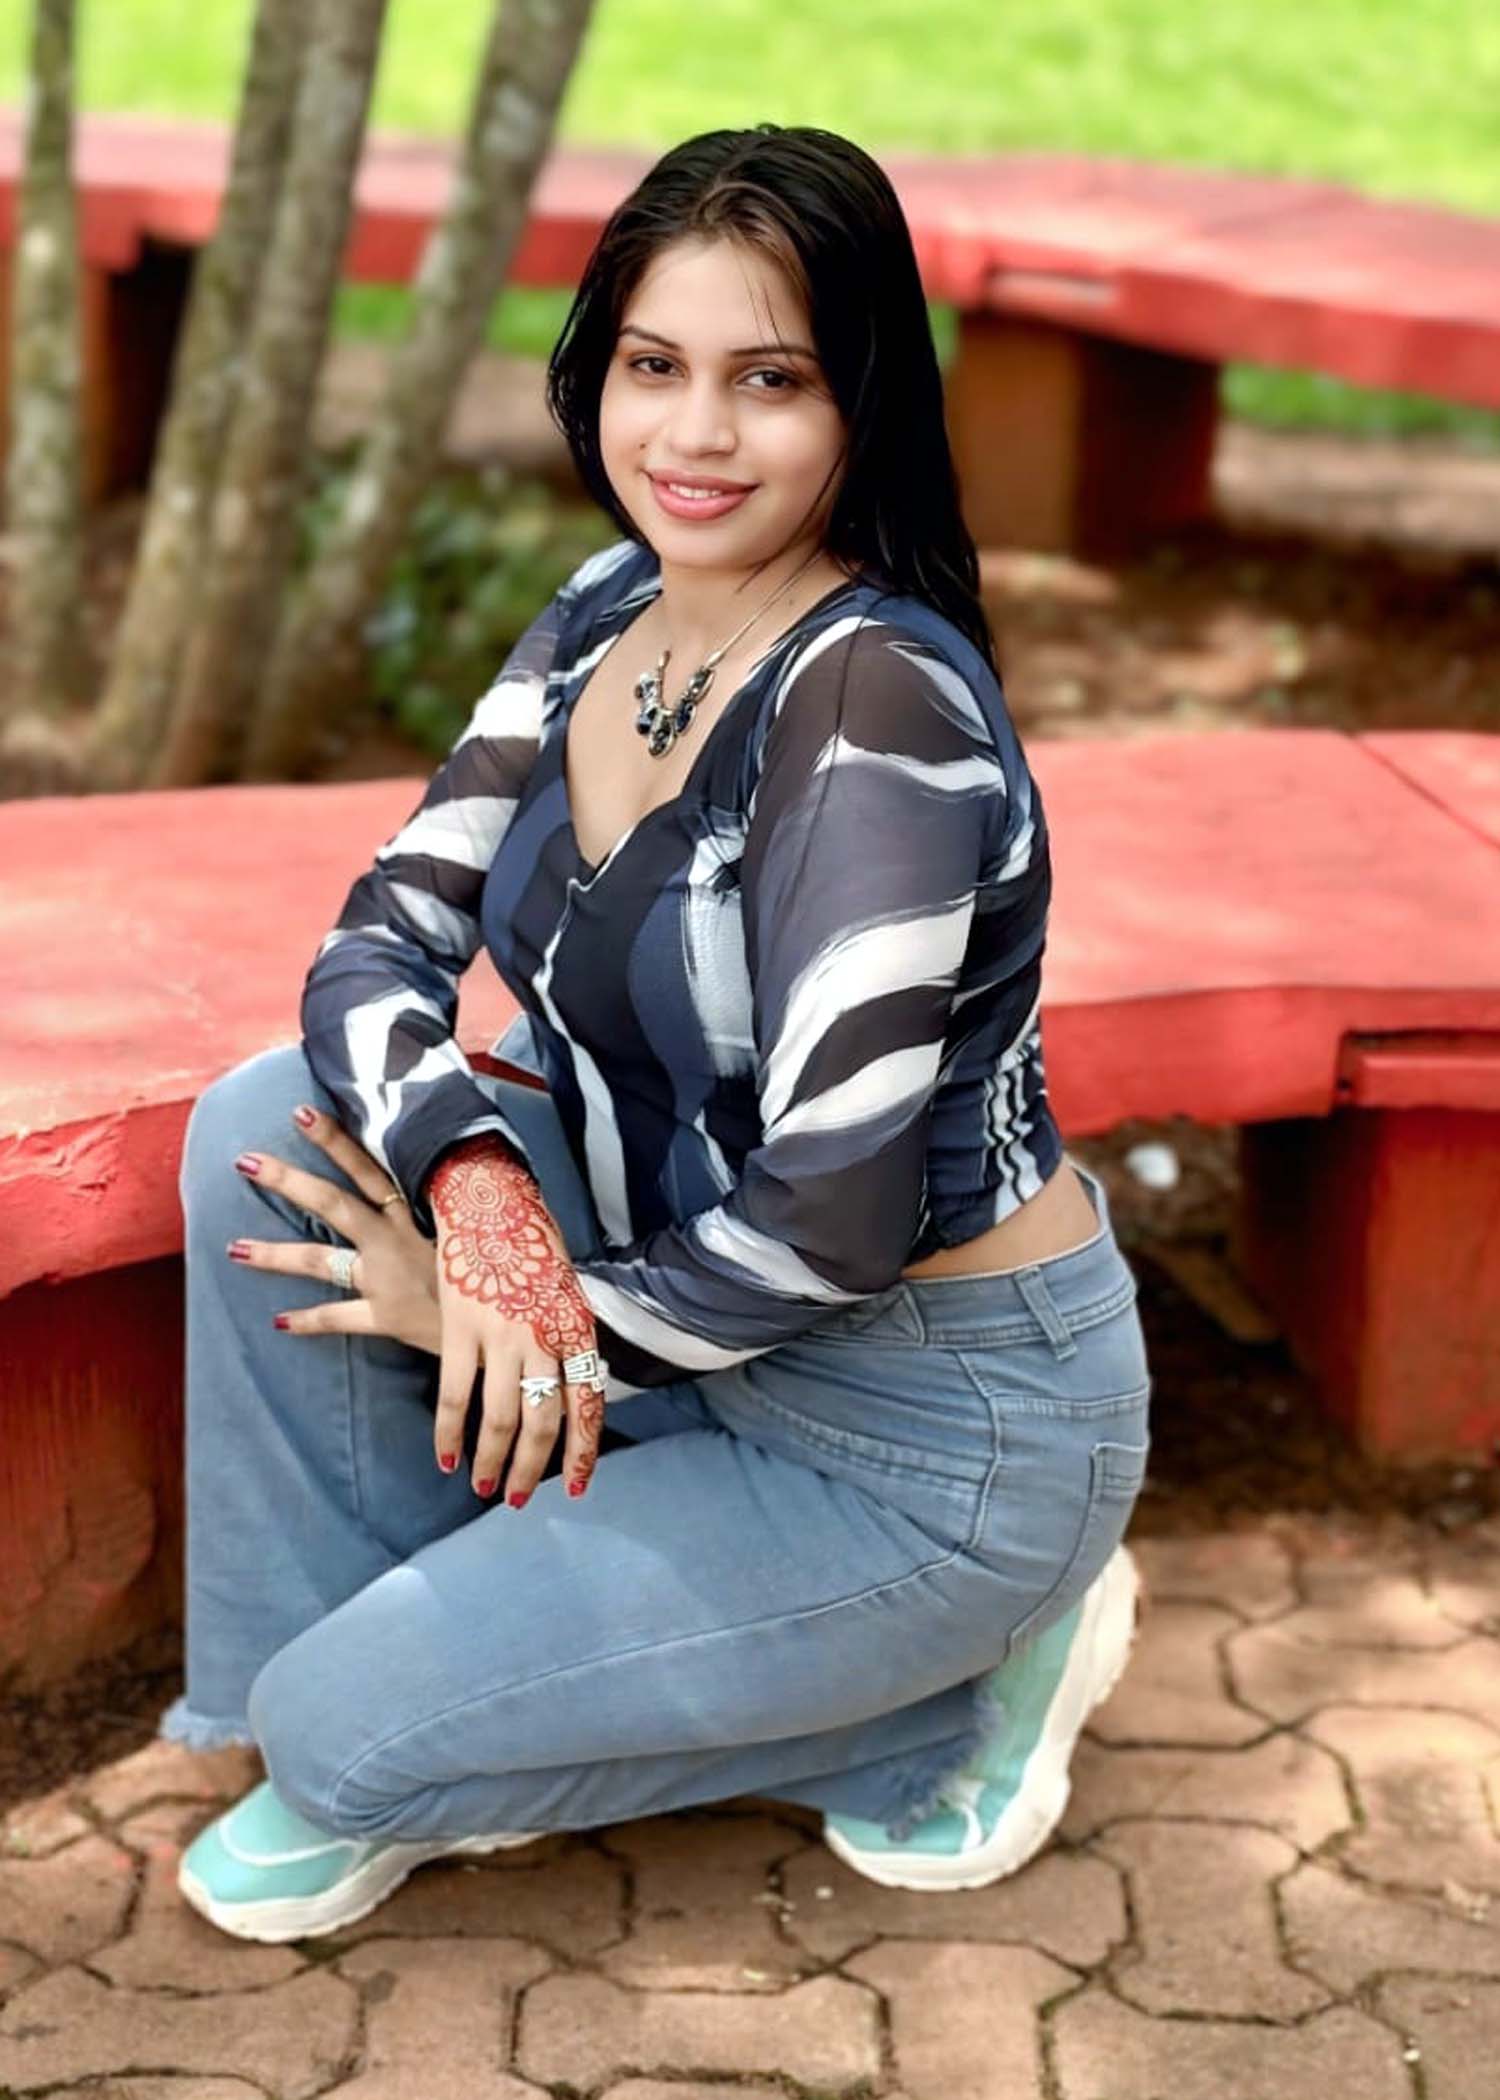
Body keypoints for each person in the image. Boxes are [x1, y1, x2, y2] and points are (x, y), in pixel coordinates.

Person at [159, 122, 1152, 1944]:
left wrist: (509, 1328)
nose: (694, 436)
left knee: (343, 1735)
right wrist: (476, 1193)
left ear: (859, 400)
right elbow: (377, 944)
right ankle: (402, 1700)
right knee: (265, 1126)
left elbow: (835, 1217)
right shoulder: (613, 607)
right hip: (665, 1300)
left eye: (768, 381)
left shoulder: (875, 715)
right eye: (652, 366)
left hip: (921, 1432)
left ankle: (963, 1682)